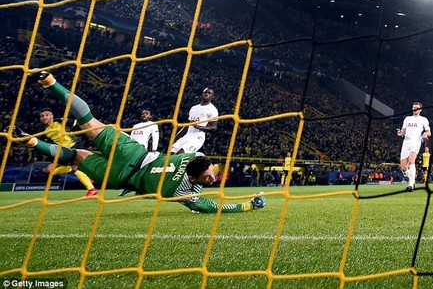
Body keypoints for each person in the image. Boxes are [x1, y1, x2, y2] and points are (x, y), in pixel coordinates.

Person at [10, 72, 265, 214]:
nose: (213, 179)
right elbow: (212, 207)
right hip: (121, 175)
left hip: (131, 150)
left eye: (212, 175)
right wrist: (247, 205)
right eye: (210, 177)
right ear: (196, 177)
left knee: (88, 124)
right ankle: (33, 142)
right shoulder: (181, 193)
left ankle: (51, 84)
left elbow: (191, 165)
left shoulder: (187, 159)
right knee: (76, 156)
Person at [38, 108, 98, 197]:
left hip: (72, 146)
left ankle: (91, 189)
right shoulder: (45, 131)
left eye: (47, 115)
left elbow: (75, 122)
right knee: (50, 170)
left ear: (52, 116)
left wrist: (65, 120)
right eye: (42, 116)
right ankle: (85, 175)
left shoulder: (59, 122)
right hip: (62, 151)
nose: (44, 117)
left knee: (74, 168)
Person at [119, 109, 161, 197]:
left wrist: (154, 149)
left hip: (141, 151)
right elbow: (131, 138)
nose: (144, 115)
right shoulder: (135, 126)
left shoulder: (153, 125)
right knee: (130, 170)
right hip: (130, 149)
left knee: (138, 171)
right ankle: (133, 188)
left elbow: (155, 137)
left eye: (146, 113)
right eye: (143, 114)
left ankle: (134, 189)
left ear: (150, 116)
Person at [171, 88, 218, 154]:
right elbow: (187, 126)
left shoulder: (212, 109)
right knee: (171, 154)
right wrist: (176, 137)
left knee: (180, 154)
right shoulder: (194, 108)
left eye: (209, 93)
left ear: (212, 97)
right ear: (202, 94)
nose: (207, 94)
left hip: (197, 137)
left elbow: (213, 127)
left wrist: (198, 126)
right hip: (187, 135)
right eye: (205, 92)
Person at [396, 102, 431, 191]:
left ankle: (411, 184)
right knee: (403, 167)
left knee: (411, 160)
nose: (415, 109)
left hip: (415, 142)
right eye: (414, 107)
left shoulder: (423, 119)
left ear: (420, 110)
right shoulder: (407, 119)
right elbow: (403, 132)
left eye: (417, 108)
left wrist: (425, 134)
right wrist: (400, 133)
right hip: (406, 143)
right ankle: (412, 180)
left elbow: (428, 132)